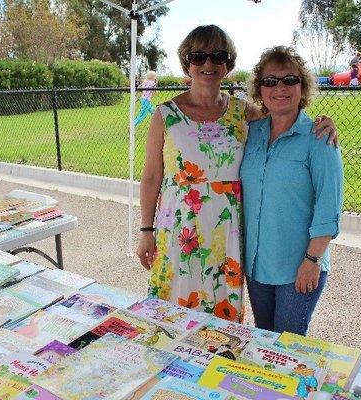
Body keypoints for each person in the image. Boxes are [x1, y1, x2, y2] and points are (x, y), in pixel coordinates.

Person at [136, 25, 338, 323]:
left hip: (226, 235)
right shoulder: (165, 114)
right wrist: (145, 231)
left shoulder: (244, 114)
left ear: (228, 64)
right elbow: (153, 176)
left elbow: (284, 116)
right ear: (186, 62)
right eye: (198, 56)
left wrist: (323, 123)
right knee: (173, 315)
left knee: (222, 321)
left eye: (218, 56)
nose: (208, 64)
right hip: (178, 231)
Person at [240, 46, 344, 335]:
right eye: (270, 81)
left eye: (290, 80)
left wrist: (312, 261)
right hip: (258, 264)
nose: (280, 88)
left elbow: (329, 206)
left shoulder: (319, 137)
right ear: (260, 90)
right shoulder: (250, 131)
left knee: (289, 342)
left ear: (303, 86)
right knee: (264, 336)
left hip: (299, 266)